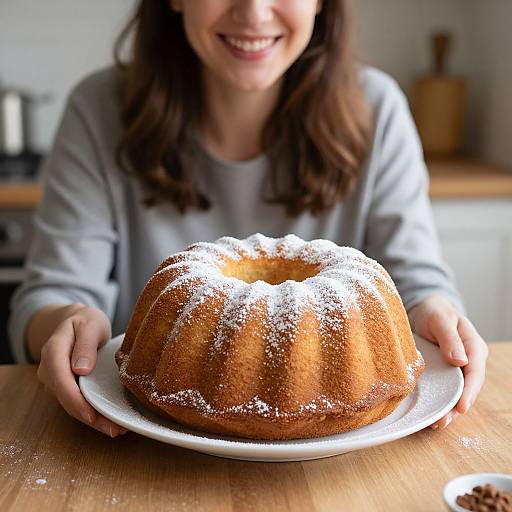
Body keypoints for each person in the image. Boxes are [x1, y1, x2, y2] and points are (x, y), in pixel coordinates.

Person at [9, 0, 488, 439]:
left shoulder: (377, 108)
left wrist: (433, 309)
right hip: (139, 449)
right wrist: (66, 321)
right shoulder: (101, 109)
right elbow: (52, 295)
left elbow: (417, 281)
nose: (254, 12)